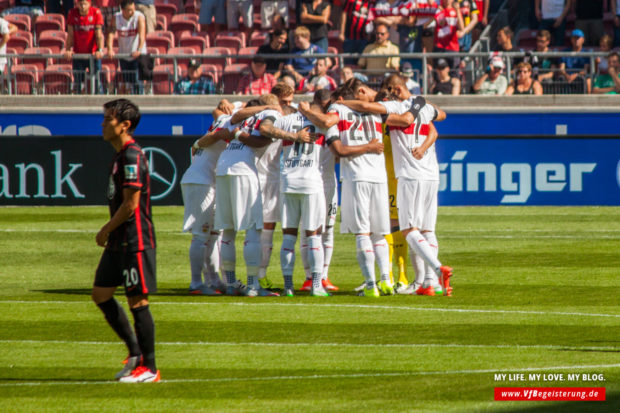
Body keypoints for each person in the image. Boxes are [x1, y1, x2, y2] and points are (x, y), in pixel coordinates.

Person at [340, 75, 453, 296]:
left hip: (410, 175)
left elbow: (367, 107)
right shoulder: (424, 106)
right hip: (431, 174)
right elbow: (442, 116)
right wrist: (420, 102)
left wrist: (341, 104)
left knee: (409, 229)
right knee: (427, 230)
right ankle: (429, 283)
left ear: (395, 89)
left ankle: (438, 270)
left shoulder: (394, 106)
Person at [93, 98, 160, 383]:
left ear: (125, 125)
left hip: (135, 239)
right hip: (118, 242)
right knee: (101, 294)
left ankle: (150, 368)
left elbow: (131, 204)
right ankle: (135, 354)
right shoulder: (120, 155)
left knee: (137, 301)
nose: (103, 124)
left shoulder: (132, 155)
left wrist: (106, 228)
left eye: (108, 119)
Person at [231, 84, 295, 290]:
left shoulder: (260, 116)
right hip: (263, 179)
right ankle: (258, 276)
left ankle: (255, 275)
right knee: (262, 231)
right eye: (284, 102)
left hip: (267, 177)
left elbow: (231, 108)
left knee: (261, 230)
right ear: (274, 100)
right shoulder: (269, 118)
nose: (287, 106)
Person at [181, 99, 243, 296]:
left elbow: (218, 109)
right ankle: (195, 283)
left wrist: (223, 102)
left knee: (215, 234)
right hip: (201, 181)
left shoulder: (224, 118)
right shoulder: (228, 124)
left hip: (207, 179)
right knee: (201, 235)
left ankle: (214, 280)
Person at [66, 0, 105, 94]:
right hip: (78, 54)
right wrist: (68, 50)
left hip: (93, 54)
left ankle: (100, 101)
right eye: (81, 4)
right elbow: (70, 34)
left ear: (90, 4)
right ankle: (77, 102)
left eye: (85, 4)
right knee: (78, 81)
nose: (83, 6)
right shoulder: (72, 13)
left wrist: (100, 49)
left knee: (97, 81)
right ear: (77, 4)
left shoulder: (96, 12)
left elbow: (99, 34)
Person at [107, 0, 146, 94]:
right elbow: (111, 33)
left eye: (133, 9)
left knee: (138, 82)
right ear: (122, 10)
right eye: (129, 10)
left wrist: (139, 50)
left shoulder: (139, 17)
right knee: (128, 83)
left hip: (139, 55)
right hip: (125, 55)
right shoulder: (116, 18)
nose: (132, 12)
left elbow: (142, 35)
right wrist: (110, 49)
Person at [558, 29, 591, 94]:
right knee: (561, 79)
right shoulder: (565, 52)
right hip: (567, 77)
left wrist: (576, 75)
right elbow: (561, 69)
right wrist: (566, 75)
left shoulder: (586, 53)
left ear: (583, 40)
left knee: (581, 79)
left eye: (578, 38)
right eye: (574, 38)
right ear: (571, 40)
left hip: (579, 77)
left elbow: (585, 70)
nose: (576, 40)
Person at [340, 0, 372, 64]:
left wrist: (370, 34)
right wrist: (342, 32)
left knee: (361, 62)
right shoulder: (352, 1)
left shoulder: (371, 3)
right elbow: (344, 14)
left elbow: (372, 19)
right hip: (349, 37)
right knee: (348, 61)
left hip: (364, 39)